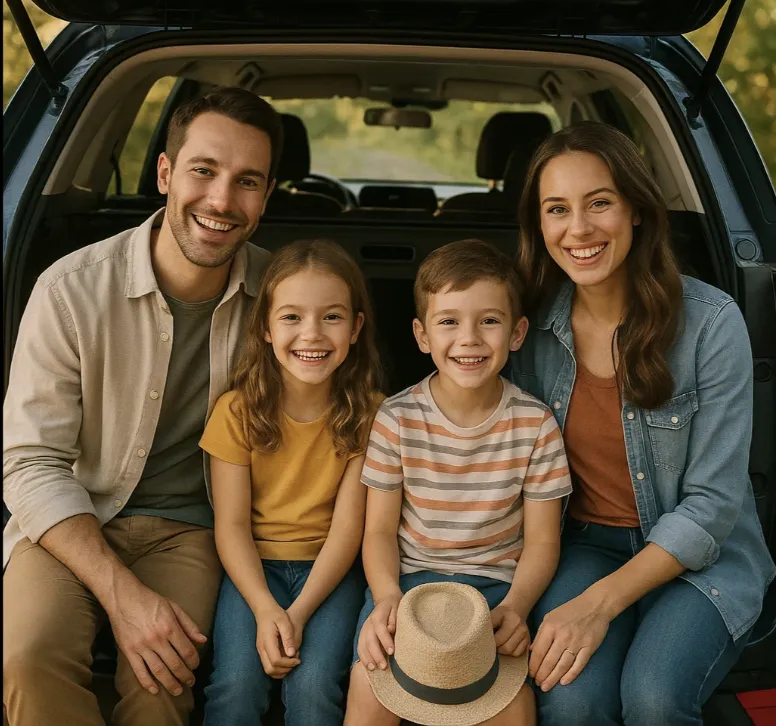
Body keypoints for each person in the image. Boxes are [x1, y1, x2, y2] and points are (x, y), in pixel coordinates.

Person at [3, 86, 283, 726]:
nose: (220, 201)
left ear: (266, 197)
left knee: (163, 678)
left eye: (247, 182)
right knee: (26, 655)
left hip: (193, 529)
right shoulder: (70, 290)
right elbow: (29, 463)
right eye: (203, 171)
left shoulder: (281, 298)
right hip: (72, 516)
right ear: (164, 173)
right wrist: (123, 596)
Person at [508, 121, 776, 726]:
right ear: (540, 225)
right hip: (584, 546)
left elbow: (711, 506)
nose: (578, 229)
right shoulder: (528, 329)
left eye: (599, 202)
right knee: (572, 703)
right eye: (557, 209)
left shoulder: (711, 322)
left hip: (700, 557)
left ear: (635, 209)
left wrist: (596, 607)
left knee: (653, 699)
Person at [344, 239, 573, 726]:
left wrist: (518, 605)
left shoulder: (536, 424)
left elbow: (542, 540)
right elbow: (380, 531)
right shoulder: (397, 417)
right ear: (422, 335)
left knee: (513, 703)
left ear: (517, 333)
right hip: (407, 586)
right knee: (370, 681)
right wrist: (385, 596)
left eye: (489, 320)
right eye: (449, 321)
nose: (469, 338)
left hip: (496, 590)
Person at [200, 239, 382, 726]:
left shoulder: (371, 415)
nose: (312, 334)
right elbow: (232, 525)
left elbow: (348, 530)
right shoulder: (236, 412)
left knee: (317, 685)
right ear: (264, 328)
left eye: (332, 317)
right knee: (235, 685)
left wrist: (297, 613)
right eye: (292, 317)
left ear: (356, 328)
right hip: (251, 572)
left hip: (330, 573)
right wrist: (264, 609)